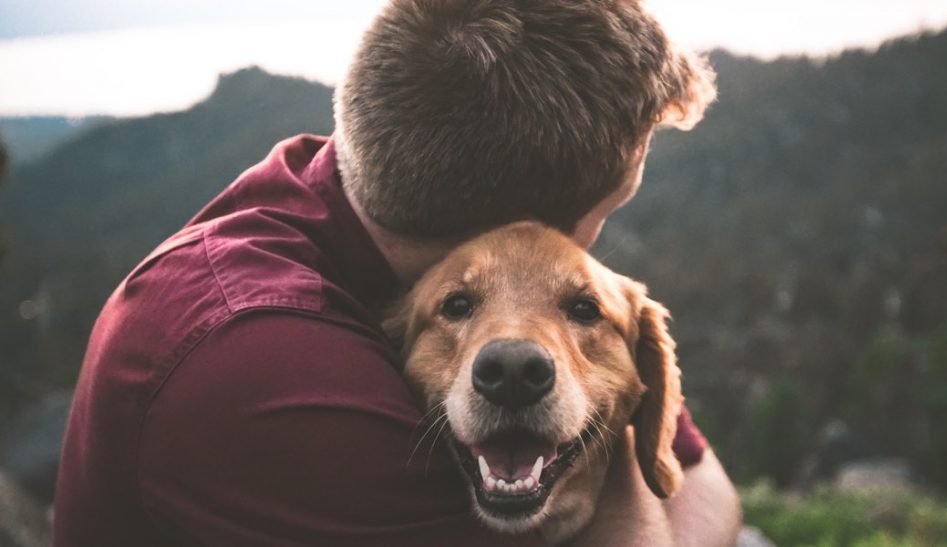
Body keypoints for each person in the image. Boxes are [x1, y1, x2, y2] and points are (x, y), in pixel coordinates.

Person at [53, 0, 740, 545]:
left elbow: (705, 482)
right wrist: (613, 437)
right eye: (609, 209)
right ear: (520, 227)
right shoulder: (260, 365)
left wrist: (614, 418)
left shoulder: (368, 190)